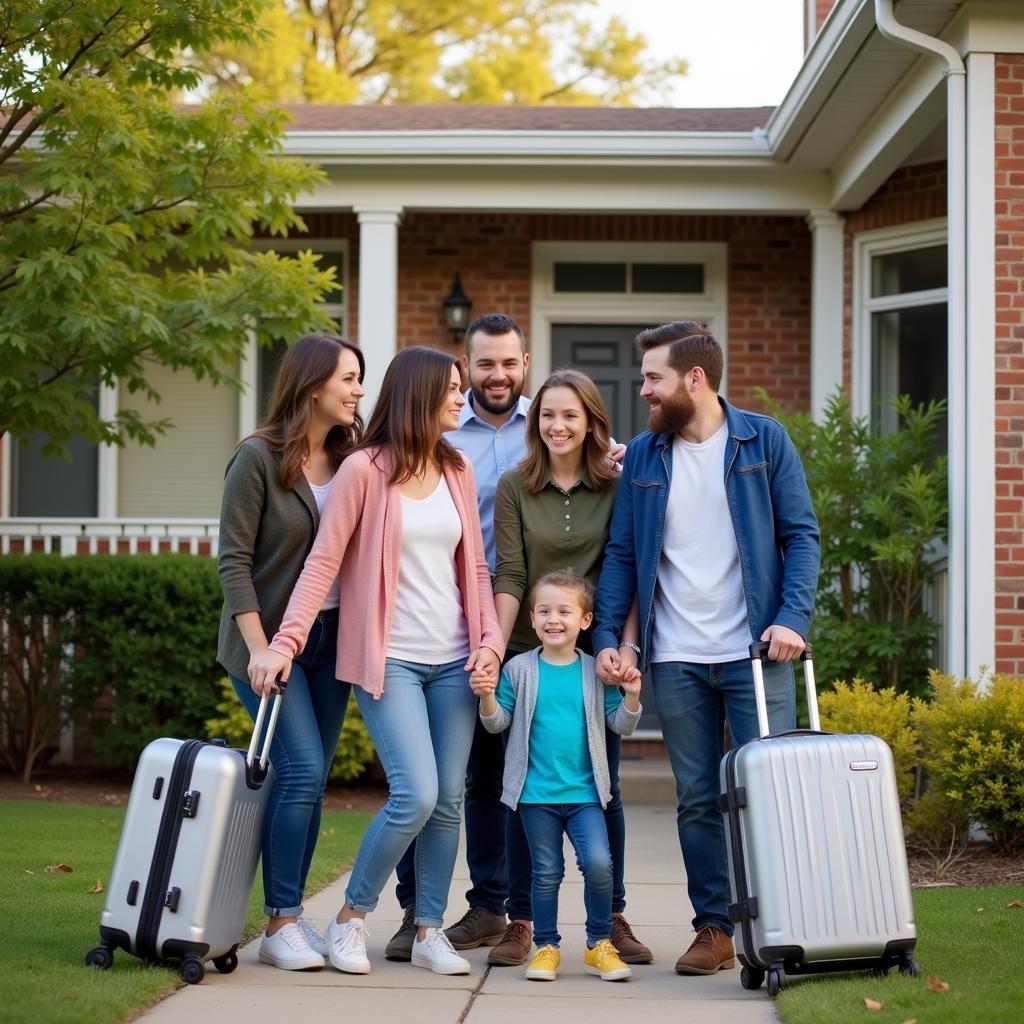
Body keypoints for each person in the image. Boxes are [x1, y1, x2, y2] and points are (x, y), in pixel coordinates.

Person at [249, 345, 504, 976]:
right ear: (419, 393)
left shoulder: (456, 468)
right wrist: (283, 644)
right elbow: (323, 564)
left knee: (448, 798)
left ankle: (427, 930)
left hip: (453, 660)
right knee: (415, 793)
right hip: (390, 658)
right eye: (450, 388)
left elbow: (473, 566)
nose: (459, 398)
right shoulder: (364, 470)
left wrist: (489, 643)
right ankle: (350, 919)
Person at [386, 315, 627, 966]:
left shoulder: (550, 422)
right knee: (449, 778)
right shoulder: (441, 429)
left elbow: (605, 489)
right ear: (467, 367)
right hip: (457, 619)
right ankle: (429, 909)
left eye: (508, 363)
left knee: (537, 779)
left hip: (545, 630)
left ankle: (516, 907)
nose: (496, 375)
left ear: (526, 362)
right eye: (483, 365)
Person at [593, 321, 820, 977]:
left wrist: (791, 617)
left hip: (757, 653)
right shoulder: (644, 456)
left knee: (771, 789)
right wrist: (611, 638)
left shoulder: (763, 440)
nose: (645, 392)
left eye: (654, 379)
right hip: (677, 657)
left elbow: (801, 535)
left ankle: (787, 923)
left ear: (695, 379)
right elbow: (622, 554)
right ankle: (715, 929)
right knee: (696, 797)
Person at [491, 368, 652, 964]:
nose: (557, 426)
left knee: (602, 789)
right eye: (548, 416)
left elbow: (630, 572)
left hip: (595, 653)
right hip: (526, 651)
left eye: (570, 416)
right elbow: (509, 572)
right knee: (517, 790)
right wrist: (495, 643)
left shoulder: (617, 484)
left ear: (590, 423)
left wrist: (624, 649)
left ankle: (611, 916)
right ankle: (522, 920)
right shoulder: (515, 486)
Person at [217, 333, 365, 971]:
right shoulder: (257, 456)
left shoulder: (354, 455)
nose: (359, 390)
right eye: (349, 378)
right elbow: (234, 561)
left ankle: (290, 916)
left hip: (332, 642)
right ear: (312, 386)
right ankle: (280, 922)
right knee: (299, 770)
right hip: (268, 647)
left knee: (312, 777)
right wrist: (258, 648)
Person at [476, 570, 642, 983]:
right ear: (531, 618)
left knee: (600, 865)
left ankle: (598, 944)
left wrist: (634, 696)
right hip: (535, 798)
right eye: (544, 611)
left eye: (565, 611)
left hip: (586, 794)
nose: (554, 619)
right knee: (546, 873)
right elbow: (498, 725)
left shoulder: (595, 672)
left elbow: (619, 724)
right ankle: (546, 946)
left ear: (585, 621)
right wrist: (486, 696)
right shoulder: (518, 670)